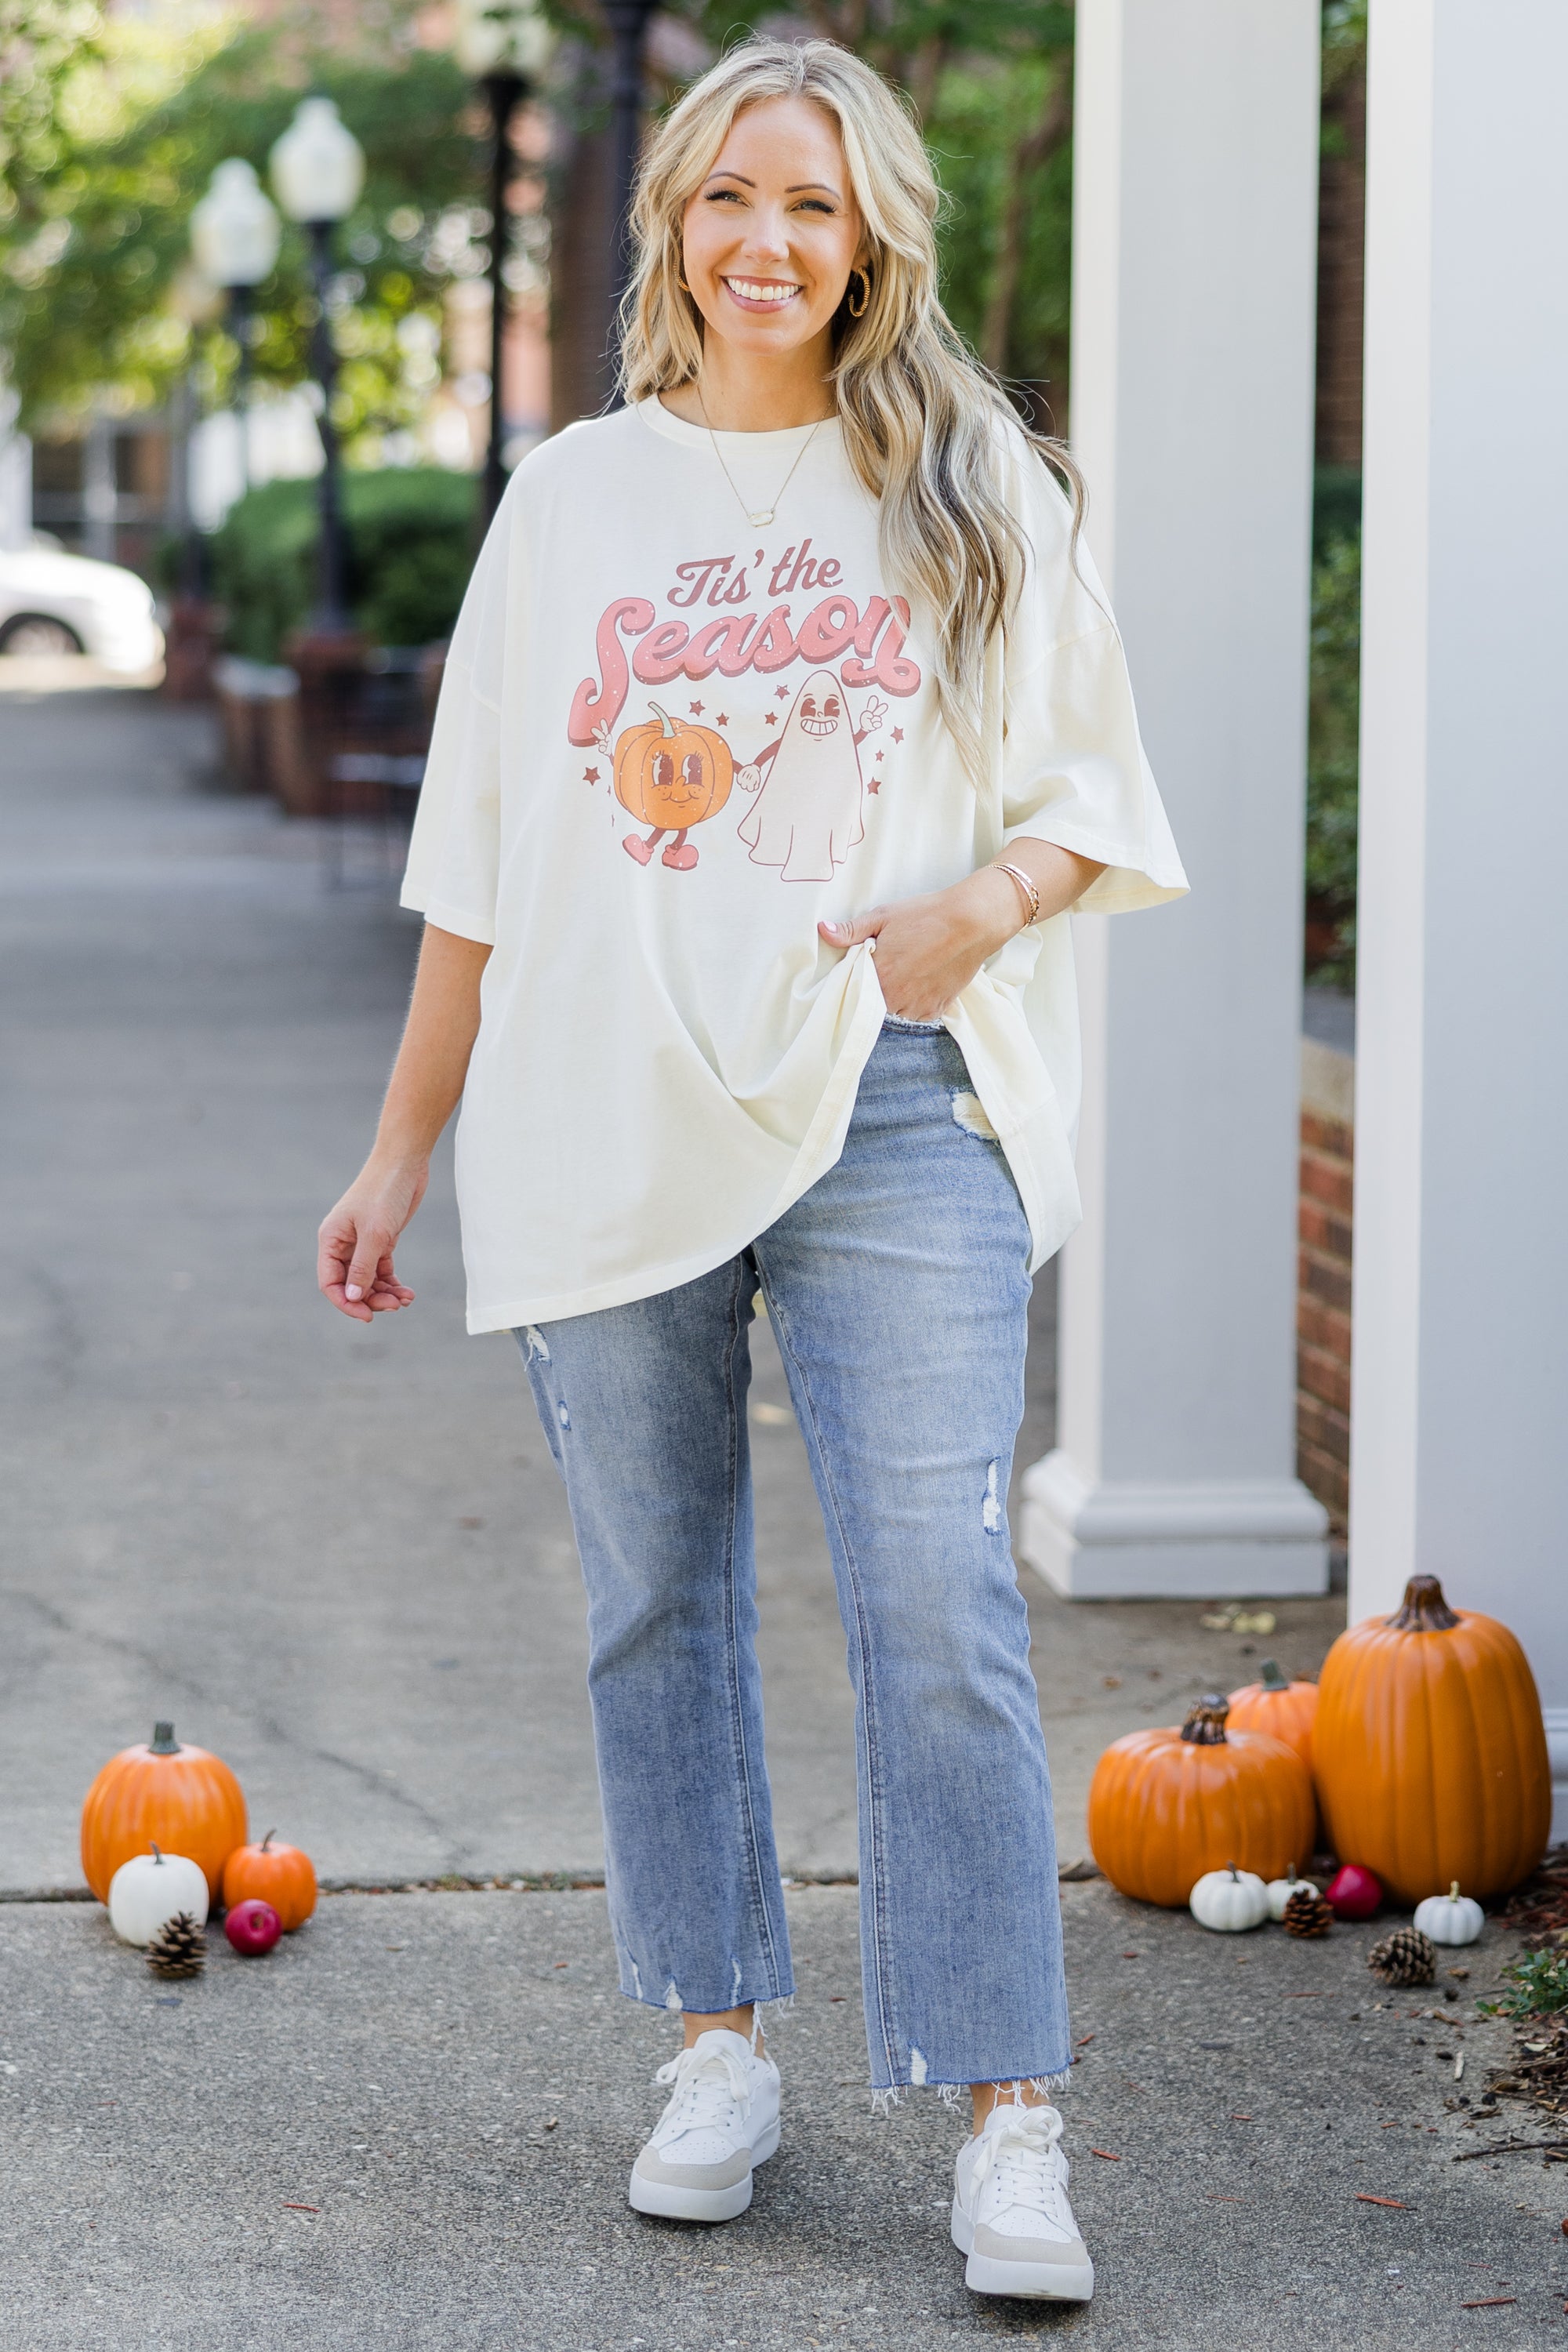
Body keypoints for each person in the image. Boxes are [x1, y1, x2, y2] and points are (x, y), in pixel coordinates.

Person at [318, 35, 1185, 2306]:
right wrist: (400, 1155)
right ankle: (718, 2045)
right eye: (729, 199)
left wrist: (967, 921)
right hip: (600, 1109)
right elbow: (480, 872)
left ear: (870, 232)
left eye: (811, 204)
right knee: (653, 1602)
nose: (767, 243)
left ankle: (1011, 2110)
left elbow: (1095, 797)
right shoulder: (569, 502)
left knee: (940, 1606)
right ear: (672, 228)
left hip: (899, 1104)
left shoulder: (975, 482)